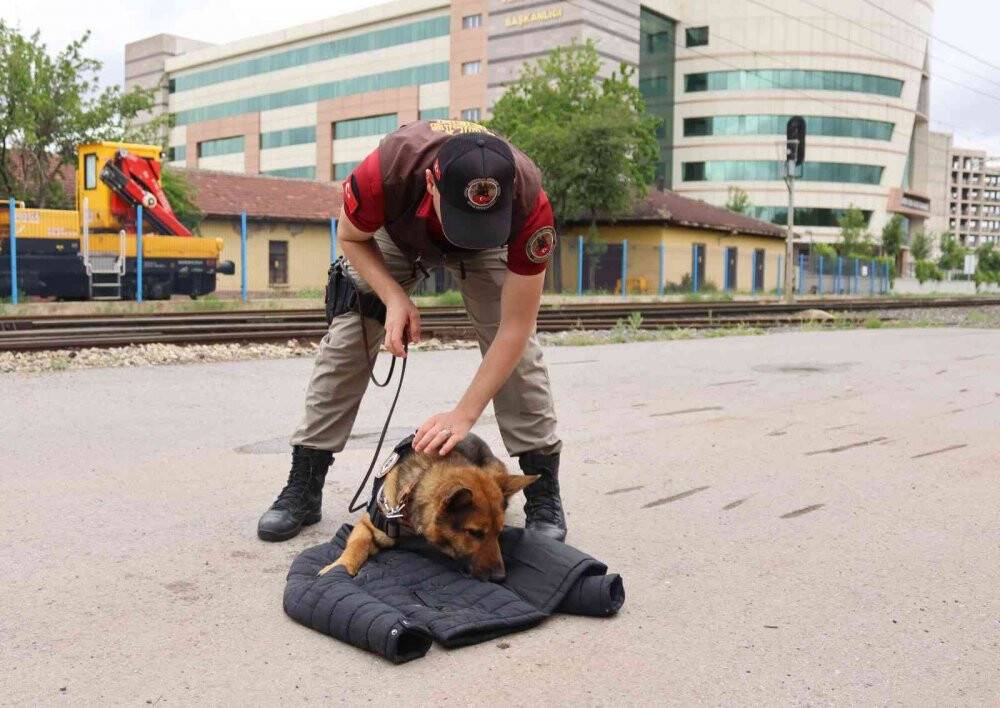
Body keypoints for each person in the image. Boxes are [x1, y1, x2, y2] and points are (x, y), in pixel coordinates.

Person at [256, 119, 566, 543]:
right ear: (431, 184)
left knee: (519, 356)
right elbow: (350, 237)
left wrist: (464, 414)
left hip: (498, 246)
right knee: (350, 332)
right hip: (399, 234)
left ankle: (544, 491)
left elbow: (515, 327)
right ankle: (304, 485)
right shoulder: (383, 173)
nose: (468, 239)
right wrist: (392, 297)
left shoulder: (530, 205)